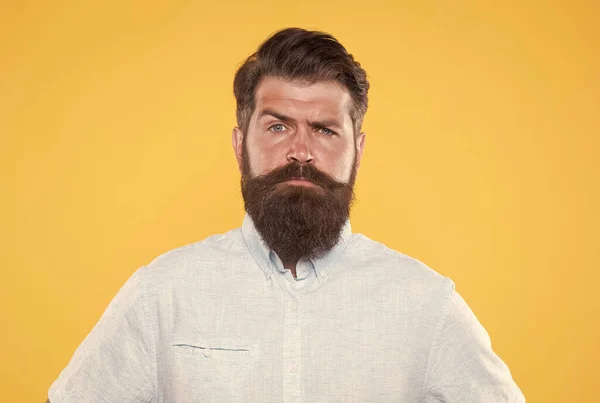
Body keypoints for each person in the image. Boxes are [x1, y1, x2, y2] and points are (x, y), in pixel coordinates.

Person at [47, 28, 525, 402]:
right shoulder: (162, 295)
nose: (301, 152)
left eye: (324, 130)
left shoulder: (426, 306)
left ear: (358, 151)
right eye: (278, 126)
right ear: (240, 145)